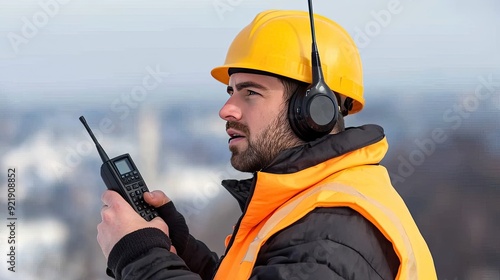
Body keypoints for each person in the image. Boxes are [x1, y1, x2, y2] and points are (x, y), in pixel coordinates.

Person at [97, 9, 437, 279]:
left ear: (313, 110)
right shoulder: (310, 207)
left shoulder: (330, 235)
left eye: (250, 92)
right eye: (231, 91)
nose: (227, 109)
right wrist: (182, 249)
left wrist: (139, 254)